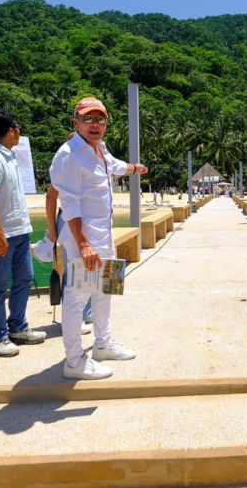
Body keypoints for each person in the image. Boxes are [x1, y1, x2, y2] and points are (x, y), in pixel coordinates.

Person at [51, 97, 147, 380]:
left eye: (100, 119)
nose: (95, 124)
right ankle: (74, 361)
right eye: (88, 118)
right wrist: (83, 244)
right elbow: (68, 204)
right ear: (76, 121)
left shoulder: (98, 149)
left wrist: (133, 168)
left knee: (105, 291)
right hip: (85, 237)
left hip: (103, 232)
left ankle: (103, 343)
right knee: (76, 298)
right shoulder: (69, 155)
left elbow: (114, 166)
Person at [0, 110, 46, 357]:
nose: (20, 133)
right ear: (11, 130)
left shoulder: (8, 157)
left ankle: (18, 328)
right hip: (2, 235)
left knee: (25, 278)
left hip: (20, 231)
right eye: (18, 128)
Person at [46, 133, 92, 335]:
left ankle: (87, 311)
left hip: (88, 221)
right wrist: (52, 228)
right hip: (69, 221)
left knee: (91, 268)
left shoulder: (93, 161)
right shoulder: (66, 162)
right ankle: (72, 318)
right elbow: (51, 197)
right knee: (73, 269)